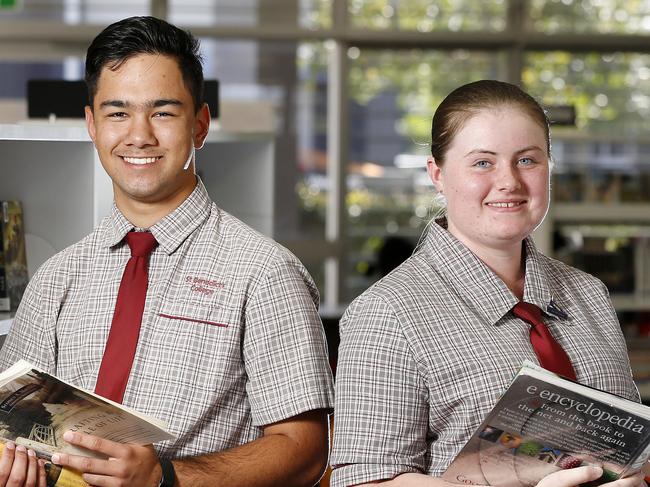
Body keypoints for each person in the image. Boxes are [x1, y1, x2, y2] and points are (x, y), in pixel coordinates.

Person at [0, 16, 334, 487]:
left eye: (163, 112)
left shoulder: (265, 272)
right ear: (92, 125)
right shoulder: (58, 275)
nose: (139, 135)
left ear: (199, 125)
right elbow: (11, 424)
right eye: (117, 113)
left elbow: (305, 451)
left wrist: (166, 477)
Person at [329, 80, 644, 487]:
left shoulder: (588, 293)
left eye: (527, 160)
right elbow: (366, 482)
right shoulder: (388, 312)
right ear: (437, 174)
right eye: (483, 163)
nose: (509, 181)